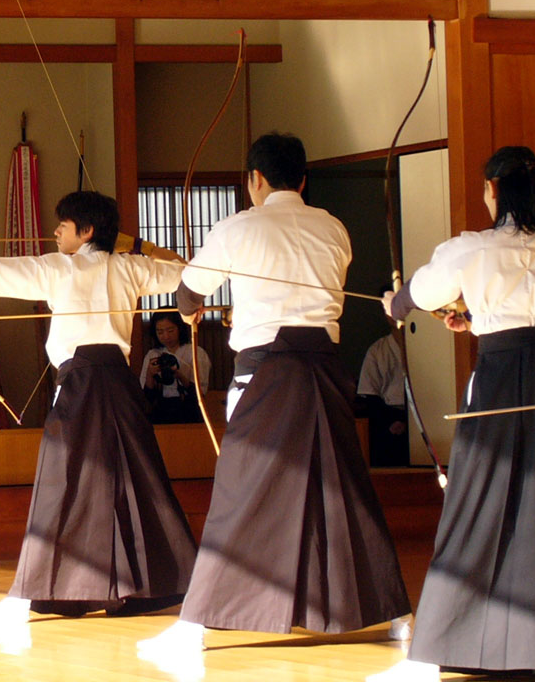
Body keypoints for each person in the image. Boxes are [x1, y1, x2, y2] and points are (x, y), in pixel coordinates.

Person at [139, 133, 410, 669]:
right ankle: (395, 615)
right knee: (341, 486)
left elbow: (188, 294)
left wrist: (190, 308)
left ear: (255, 179)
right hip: (326, 369)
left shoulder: (239, 226)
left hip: (266, 371)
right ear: (302, 180)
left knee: (241, 489)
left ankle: (195, 628)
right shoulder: (333, 227)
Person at [0, 191, 197, 645]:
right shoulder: (130, 267)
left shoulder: (61, 267)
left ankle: (26, 600)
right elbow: (189, 272)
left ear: (86, 231)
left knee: (61, 485)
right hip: (119, 384)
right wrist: (139, 247)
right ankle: (140, 588)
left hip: (83, 385)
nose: (55, 232)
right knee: (132, 479)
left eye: (64, 225)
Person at [369, 146, 535, 682]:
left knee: (477, 500)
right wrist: (477, 321)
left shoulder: (473, 248)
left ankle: (451, 647)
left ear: (492, 190)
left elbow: (417, 295)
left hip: (500, 384)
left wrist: (396, 303)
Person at [140, 309, 211, 423]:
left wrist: (179, 374)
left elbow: (200, 393)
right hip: (160, 411)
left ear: (180, 328)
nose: (166, 336)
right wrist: (150, 373)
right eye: (160, 332)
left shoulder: (195, 352)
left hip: (189, 411)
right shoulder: (153, 355)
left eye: (170, 330)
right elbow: (146, 397)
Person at [357, 315, 409, 466]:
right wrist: (393, 420)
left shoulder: (425, 346)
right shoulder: (378, 350)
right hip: (387, 417)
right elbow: (370, 395)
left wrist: (407, 421)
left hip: (421, 414)